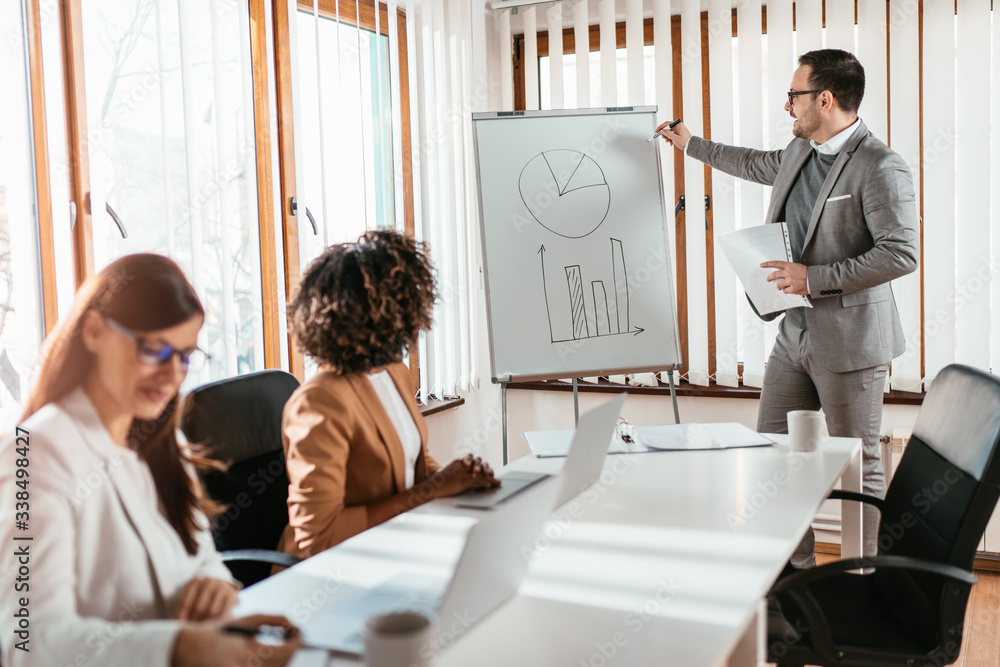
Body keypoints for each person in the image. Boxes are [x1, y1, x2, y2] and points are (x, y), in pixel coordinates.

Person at [658, 49, 919, 565]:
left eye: (794, 95)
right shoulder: (801, 152)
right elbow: (755, 163)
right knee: (772, 458)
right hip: (793, 334)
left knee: (857, 461)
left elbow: (900, 252)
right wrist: (693, 146)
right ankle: (791, 576)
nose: (787, 105)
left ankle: (859, 579)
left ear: (825, 99)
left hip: (851, 341)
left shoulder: (879, 165)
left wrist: (813, 279)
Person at [0, 254, 299, 667]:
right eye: (154, 349)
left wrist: (215, 587)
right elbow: (27, 644)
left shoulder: (161, 438)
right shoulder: (32, 454)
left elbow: (206, 559)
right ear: (93, 331)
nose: (171, 374)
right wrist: (179, 646)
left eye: (184, 356)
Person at [278, 229, 498, 559]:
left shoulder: (393, 373)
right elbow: (319, 537)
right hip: (333, 573)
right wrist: (435, 489)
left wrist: (457, 479)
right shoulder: (318, 402)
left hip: (398, 545)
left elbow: (415, 462)